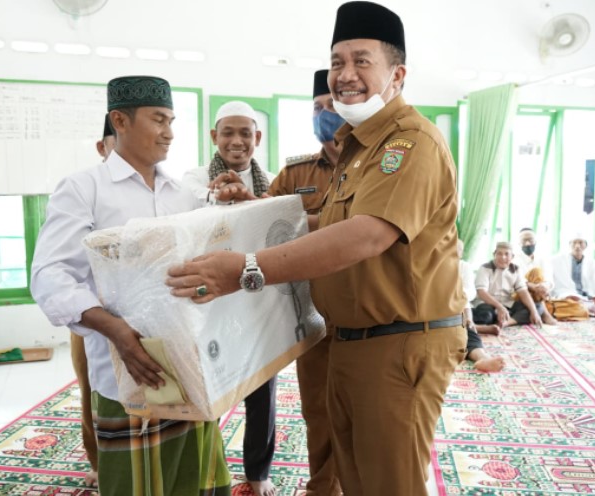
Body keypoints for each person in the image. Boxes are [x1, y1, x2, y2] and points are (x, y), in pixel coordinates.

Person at [166, 3, 468, 494]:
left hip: (399, 342)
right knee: (351, 477)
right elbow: (328, 221)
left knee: (388, 484)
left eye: (361, 61)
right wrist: (257, 212)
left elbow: (366, 233)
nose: (345, 76)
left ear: (398, 74)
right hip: (347, 340)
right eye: (337, 62)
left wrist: (244, 269)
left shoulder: (408, 144)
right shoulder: (360, 146)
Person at [31, 76, 232, 496]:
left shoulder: (182, 195)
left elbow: (211, 256)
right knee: (135, 485)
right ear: (119, 120)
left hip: (188, 367)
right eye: (158, 120)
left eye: (172, 120)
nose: (170, 133)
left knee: (193, 480)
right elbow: (50, 277)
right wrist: (117, 332)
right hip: (126, 374)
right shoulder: (84, 189)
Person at [181, 100, 277, 496]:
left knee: (262, 393)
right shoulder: (193, 179)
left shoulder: (271, 181)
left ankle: (257, 474)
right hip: (210, 304)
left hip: (258, 301)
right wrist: (217, 197)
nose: (236, 142)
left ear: (257, 138)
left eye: (245, 134)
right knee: (210, 390)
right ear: (213, 137)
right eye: (228, 133)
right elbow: (190, 218)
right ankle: (208, 471)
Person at [266, 69, 343, 496]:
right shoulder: (295, 173)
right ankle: (322, 487)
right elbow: (264, 223)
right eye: (317, 108)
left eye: (332, 106)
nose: (324, 115)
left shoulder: (373, 167)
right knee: (318, 411)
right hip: (314, 317)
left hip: (368, 314)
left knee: (366, 414)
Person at [68, 113, 118, 488]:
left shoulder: (163, 188)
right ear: (103, 147)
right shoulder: (84, 189)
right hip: (93, 319)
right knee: (91, 391)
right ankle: (98, 462)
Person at [457, 240, 505, 373]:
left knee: (469, 329)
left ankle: (483, 359)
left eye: (458, 250)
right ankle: (480, 327)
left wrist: (468, 319)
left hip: (459, 312)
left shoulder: (463, 267)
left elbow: (469, 293)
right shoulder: (433, 267)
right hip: (436, 317)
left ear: (461, 253)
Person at [472, 241, 544, 328]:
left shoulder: (516, 269)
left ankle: (506, 323)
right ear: (494, 254)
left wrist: (534, 312)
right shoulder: (485, 268)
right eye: (499, 254)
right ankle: (496, 320)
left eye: (507, 254)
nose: (503, 257)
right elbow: (481, 292)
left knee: (537, 307)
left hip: (507, 304)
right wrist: (500, 307)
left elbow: (523, 292)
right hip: (487, 304)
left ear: (512, 257)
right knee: (487, 316)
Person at [550, 233, 595, 318]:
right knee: (573, 303)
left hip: (587, 296)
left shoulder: (591, 262)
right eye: (574, 243)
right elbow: (549, 277)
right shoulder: (557, 260)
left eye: (580, 242)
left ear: (586, 245)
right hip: (569, 295)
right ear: (569, 245)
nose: (577, 246)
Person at [516, 227, 557, 325]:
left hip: (541, 294)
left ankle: (541, 309)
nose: (527, 244)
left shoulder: (543, 258)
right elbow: (518, 281)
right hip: (522, 294)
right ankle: (545, 314)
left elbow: (549, 279)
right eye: (524, 241)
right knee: (537, 272)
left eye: (530, 240)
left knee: (578, 309)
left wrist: (545, 286)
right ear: (519, 243)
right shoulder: (514, 259)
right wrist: (533, 287)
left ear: (536, 242)